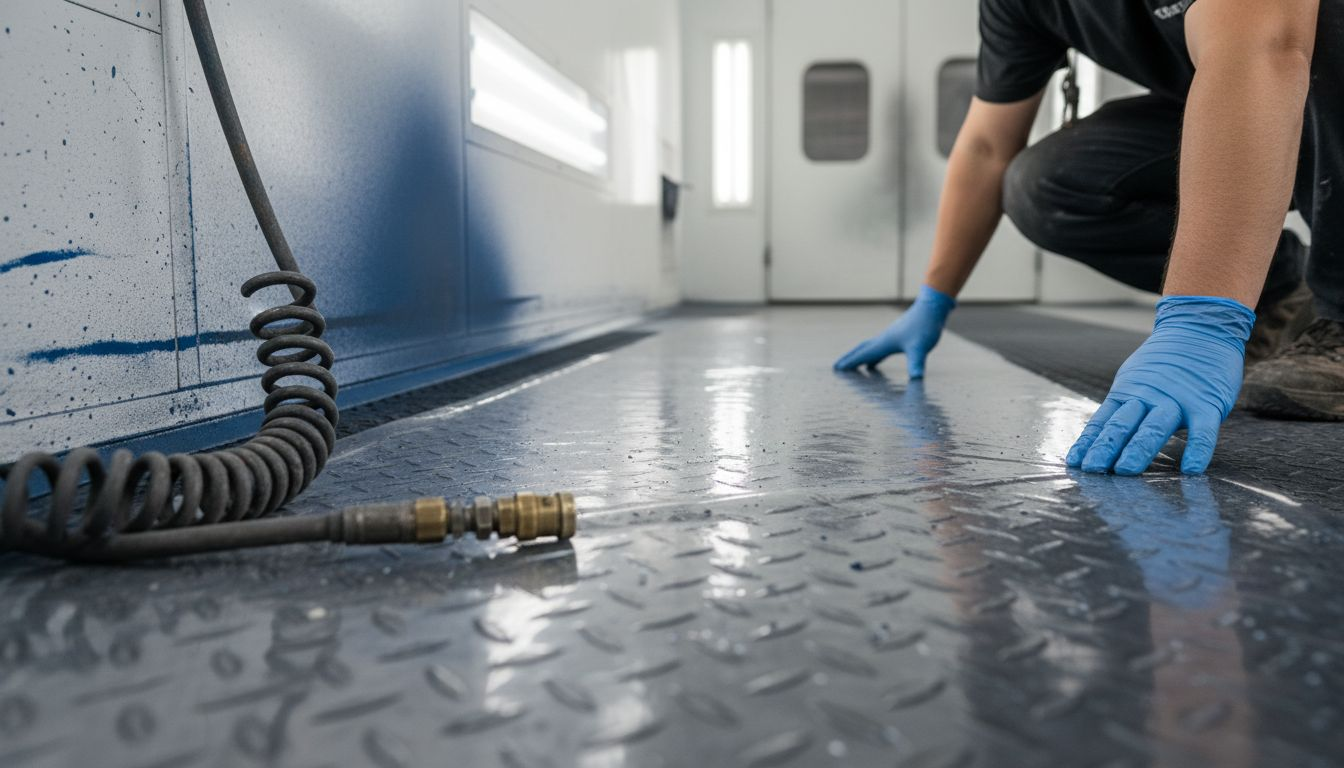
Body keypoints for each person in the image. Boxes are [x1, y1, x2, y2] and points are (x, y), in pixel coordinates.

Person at [835, 0, 1342, 476]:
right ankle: (1277, 294)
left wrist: (1202, 320)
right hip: (1239, 89)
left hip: (1291, 56)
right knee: (1046, 184)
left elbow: (1267, 42)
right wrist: (934, 298)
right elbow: (988, 145)